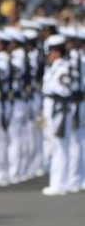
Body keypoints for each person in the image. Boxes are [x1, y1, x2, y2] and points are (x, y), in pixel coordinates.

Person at [42, 34, 71, 196]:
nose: (48, 55)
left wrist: (53, 91)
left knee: (60, 147)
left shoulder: (63, 68)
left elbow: (65, 90)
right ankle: (59, 181)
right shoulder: (54, 68)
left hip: (58, 110)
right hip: (52, 110)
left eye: (51, 51)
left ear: (57, 52)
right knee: (56, 147)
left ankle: (59, 183)